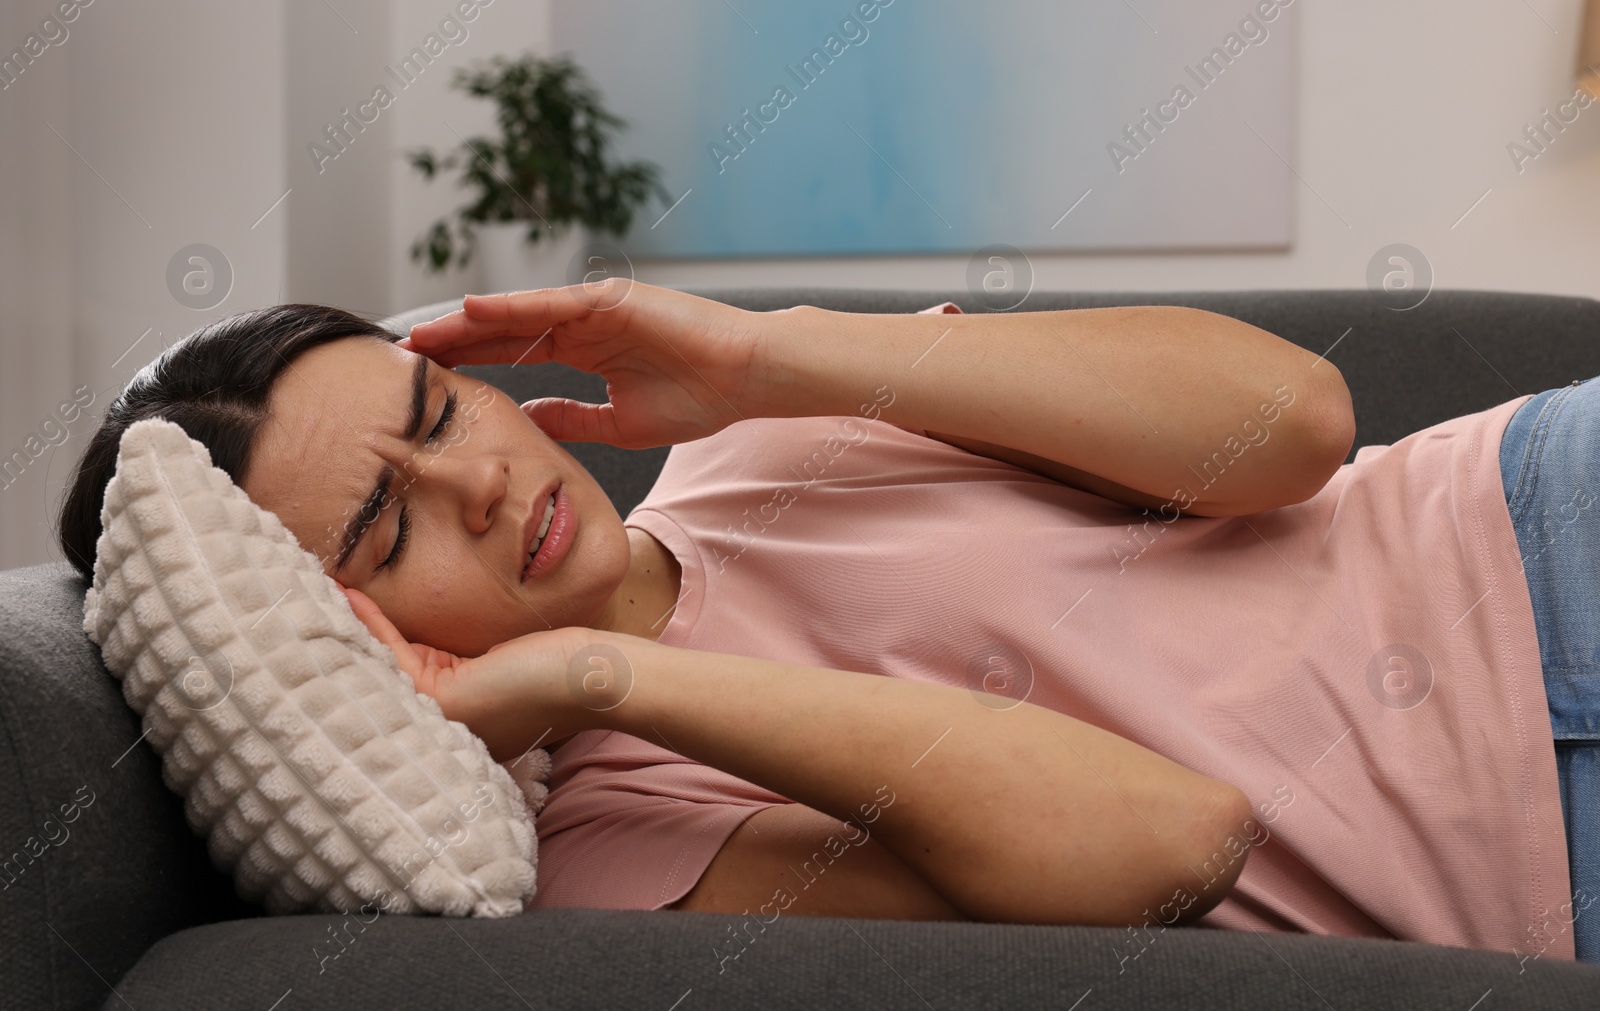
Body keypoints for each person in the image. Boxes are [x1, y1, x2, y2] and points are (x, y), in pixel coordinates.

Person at [55, 279, 1581, 963]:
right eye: (390, 526)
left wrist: (772, 358)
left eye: (442, 409)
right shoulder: (615, 854)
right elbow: (1170, 842)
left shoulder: (763, 431)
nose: (477, 480)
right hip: (1533, 842)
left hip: (1531, 512)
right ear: (356, 639)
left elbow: (1301, 423)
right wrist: (601, 674)